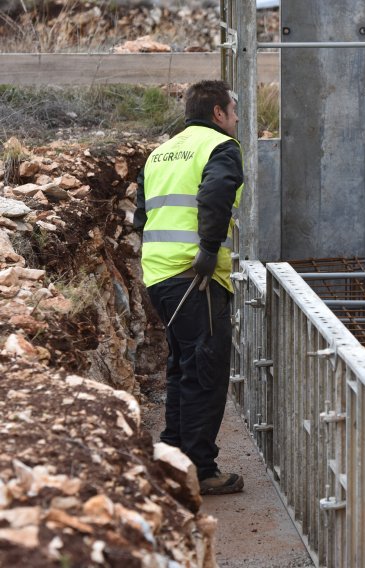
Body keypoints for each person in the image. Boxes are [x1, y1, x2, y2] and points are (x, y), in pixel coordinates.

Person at [134, 80, 244, 495]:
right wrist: (208, 248)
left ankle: (173, 455)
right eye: (232, 110)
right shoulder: (219, 147)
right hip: (195, 277)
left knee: (182, 368)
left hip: (160, 276)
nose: (235, 118)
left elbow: (140, 218)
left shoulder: (161, 152)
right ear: (218, 112)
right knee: (205, 373)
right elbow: (216, 194)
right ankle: (200, 469)